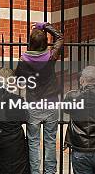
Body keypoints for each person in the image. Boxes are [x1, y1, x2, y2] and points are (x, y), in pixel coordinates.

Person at [14, 21, 64, 174]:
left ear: (30, 43)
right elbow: (60, 38)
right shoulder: (51, 56)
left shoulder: (23, 60)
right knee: (50, 141)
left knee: (33, 142)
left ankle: (35, 171)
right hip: (50, 103)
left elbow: (19, 80)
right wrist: (44, 26)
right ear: (46, 43)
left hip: (33, 103)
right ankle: (50, 171)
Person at [0, 68, 29, 174]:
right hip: (16, 140)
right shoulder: (17, 100)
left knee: (1, 168)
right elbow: (24, 118)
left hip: (0, 139)